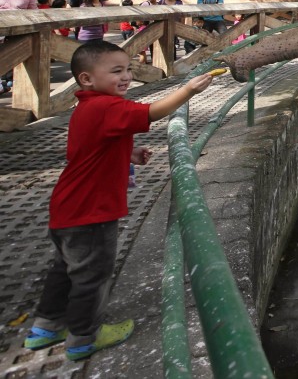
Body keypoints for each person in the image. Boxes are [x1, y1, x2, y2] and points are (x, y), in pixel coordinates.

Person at [22, 40, 213, 361]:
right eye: (116, 71)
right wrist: (189, 90)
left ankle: (45, 328)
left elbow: (89, 149)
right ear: (86, 79)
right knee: (92, 276)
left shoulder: (87, 107)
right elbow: (153, 111)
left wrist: (130, 153)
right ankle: (84, 336)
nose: (126, 77)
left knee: (65, 269)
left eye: (128, 69)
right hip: (92, 214)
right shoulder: (107, 107)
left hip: (67, 208)